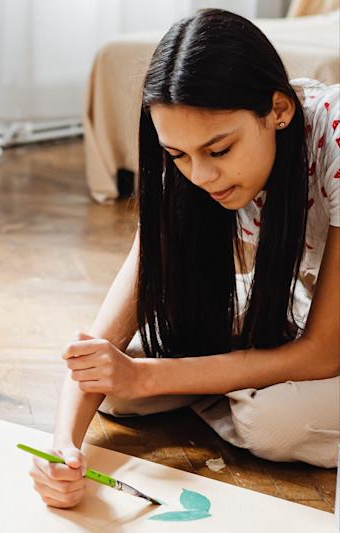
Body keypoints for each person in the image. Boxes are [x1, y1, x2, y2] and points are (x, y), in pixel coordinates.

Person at [30, 8, 340, 509]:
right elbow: (101, 346)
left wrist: (148, 376)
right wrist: (61, 446)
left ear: (279, 109)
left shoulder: (337, 136)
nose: (201, 176)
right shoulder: (185, 164)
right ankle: (242, 386)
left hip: (328, 333)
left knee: (273, 425)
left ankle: (241, 393)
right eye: (178, 155)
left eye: (220, 150)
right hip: (306, 306)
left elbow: (325, 351)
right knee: (115, 387)